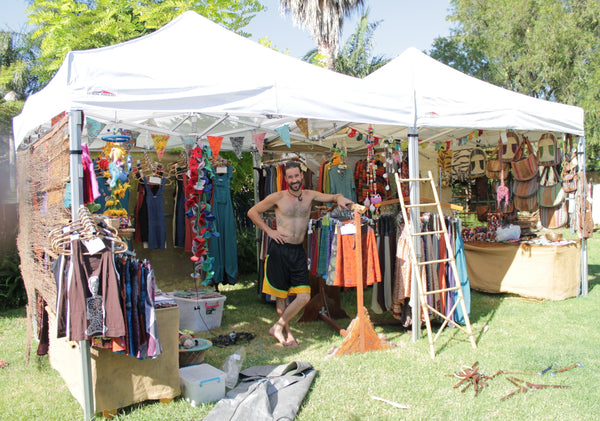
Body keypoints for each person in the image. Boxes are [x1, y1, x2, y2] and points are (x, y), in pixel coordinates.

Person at [247, 161, 354, 346]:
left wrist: (340, 198)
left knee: (304, 296)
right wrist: (269, 231)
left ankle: (277, 326)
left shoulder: (309, 195)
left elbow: (332, 196)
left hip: (297, 251)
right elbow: (252, 212)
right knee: (281, 296)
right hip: (279, 250)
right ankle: (287, 334)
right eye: (290, 177)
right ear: (286, 179)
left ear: (302, 176)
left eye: (297, 176)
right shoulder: (277, 197)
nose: (294, 180)